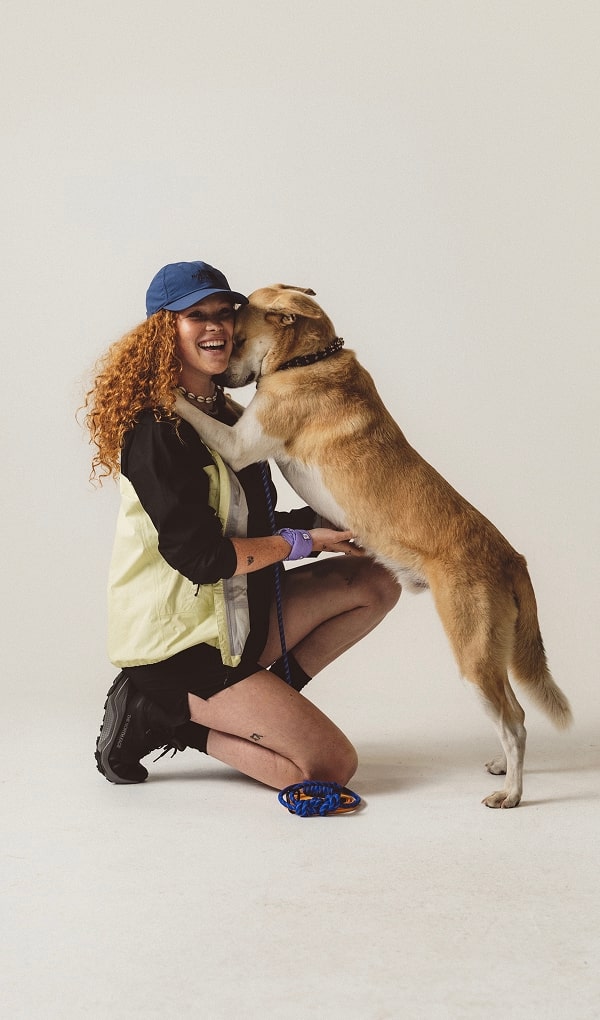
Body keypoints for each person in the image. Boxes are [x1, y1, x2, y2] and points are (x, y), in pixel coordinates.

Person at [84, 260, 401, 790]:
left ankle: (254, 700)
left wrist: (329, 525)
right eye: (196, 316)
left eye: (225, 314)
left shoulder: (229, 415)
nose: (217, 327)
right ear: (167, 330)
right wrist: (301, 541)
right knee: (327, 769)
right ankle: (168, 717)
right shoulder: (157, 429)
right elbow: (201, 557)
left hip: (236, 620)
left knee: (375, 580)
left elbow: (245, 521)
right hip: (182, 646)